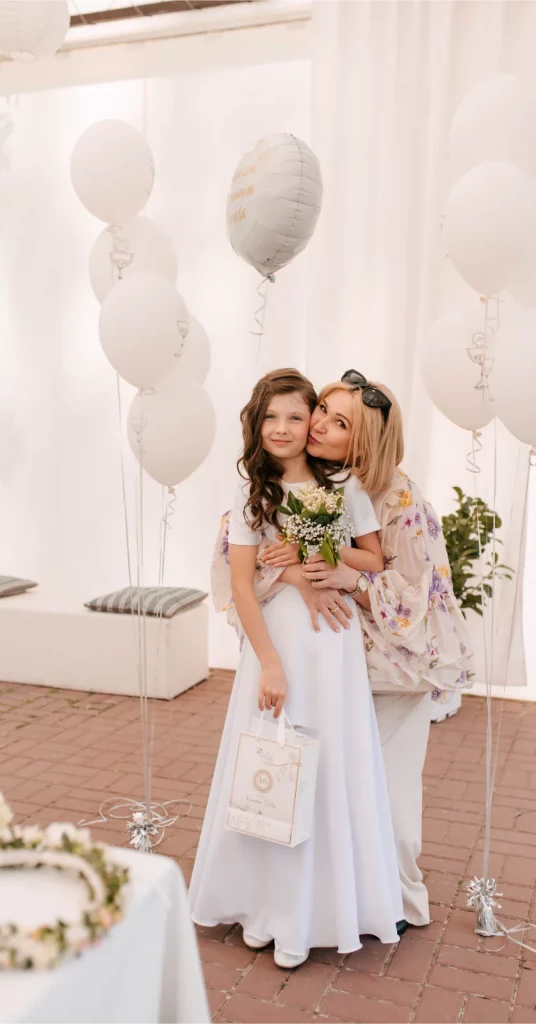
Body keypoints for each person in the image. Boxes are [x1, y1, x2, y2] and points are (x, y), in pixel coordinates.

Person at [220, 370, 473, 930]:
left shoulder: (397, 497)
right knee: (324, 788)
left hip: (395, 668)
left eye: (339, 422)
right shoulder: (297, 483)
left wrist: (342, 574)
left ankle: (397, 902)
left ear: (365, 440)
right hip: (336, 661)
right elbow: (247, 563)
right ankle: (318, 902)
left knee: (385, 798)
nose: (316, 426)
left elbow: (417, 591)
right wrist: (299, 572)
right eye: (323, 412)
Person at [189, 369, 403, 969]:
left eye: (295, 416)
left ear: (311, 420)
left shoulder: (344, 485)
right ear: (256, 424)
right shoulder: (252, 493)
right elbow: (241, 582)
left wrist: (315, 551)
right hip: (278, 643)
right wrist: (269, 664)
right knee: (270, 763)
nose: (282, 428)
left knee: (328, 764)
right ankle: (264, 907)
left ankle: (316, 912)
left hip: (331, 644)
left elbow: (374, 558)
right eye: (270, 417)